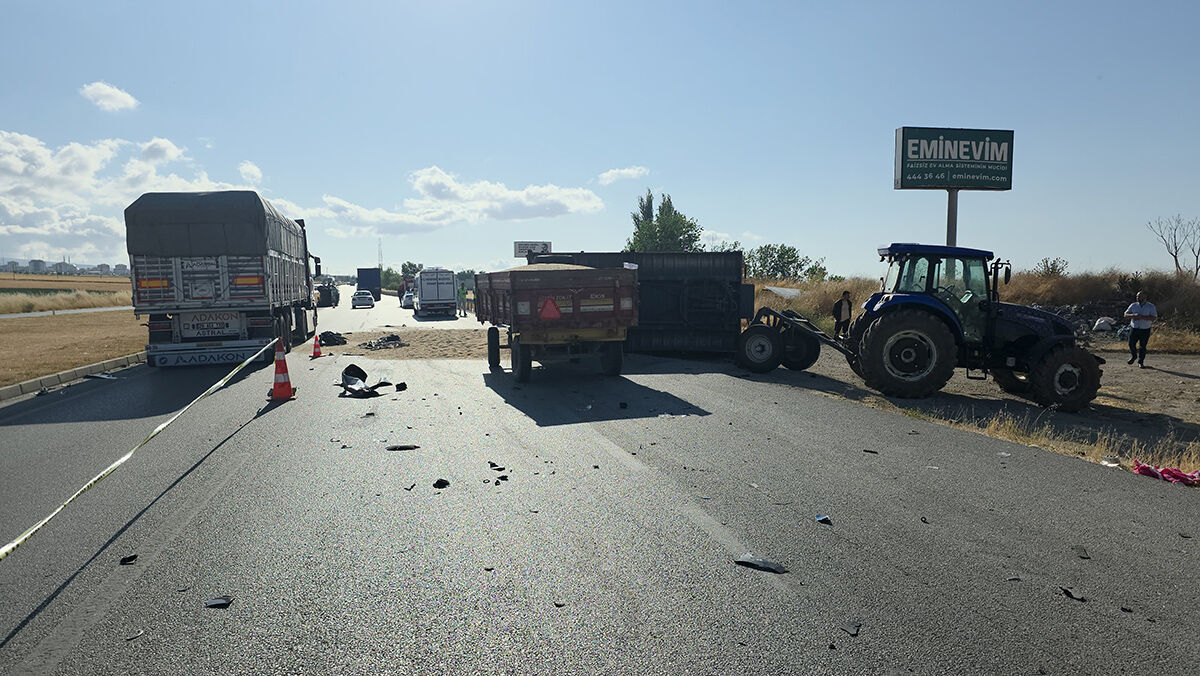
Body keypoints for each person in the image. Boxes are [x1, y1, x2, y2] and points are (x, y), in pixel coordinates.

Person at [1124, 291, 1157, 368]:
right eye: (1137, 296)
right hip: (1134, 328)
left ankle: (1140, 362)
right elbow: (1125, 314)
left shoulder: (1151, 306)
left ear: (1145, 297)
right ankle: (1134, 356)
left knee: (1142, 346)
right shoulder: (1133, 305)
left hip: (1145, 329)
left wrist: (1142, 317)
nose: (1138, 298)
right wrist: (1133, 315)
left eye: (1140, 297)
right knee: (1131, 343)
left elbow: (1154, 317)